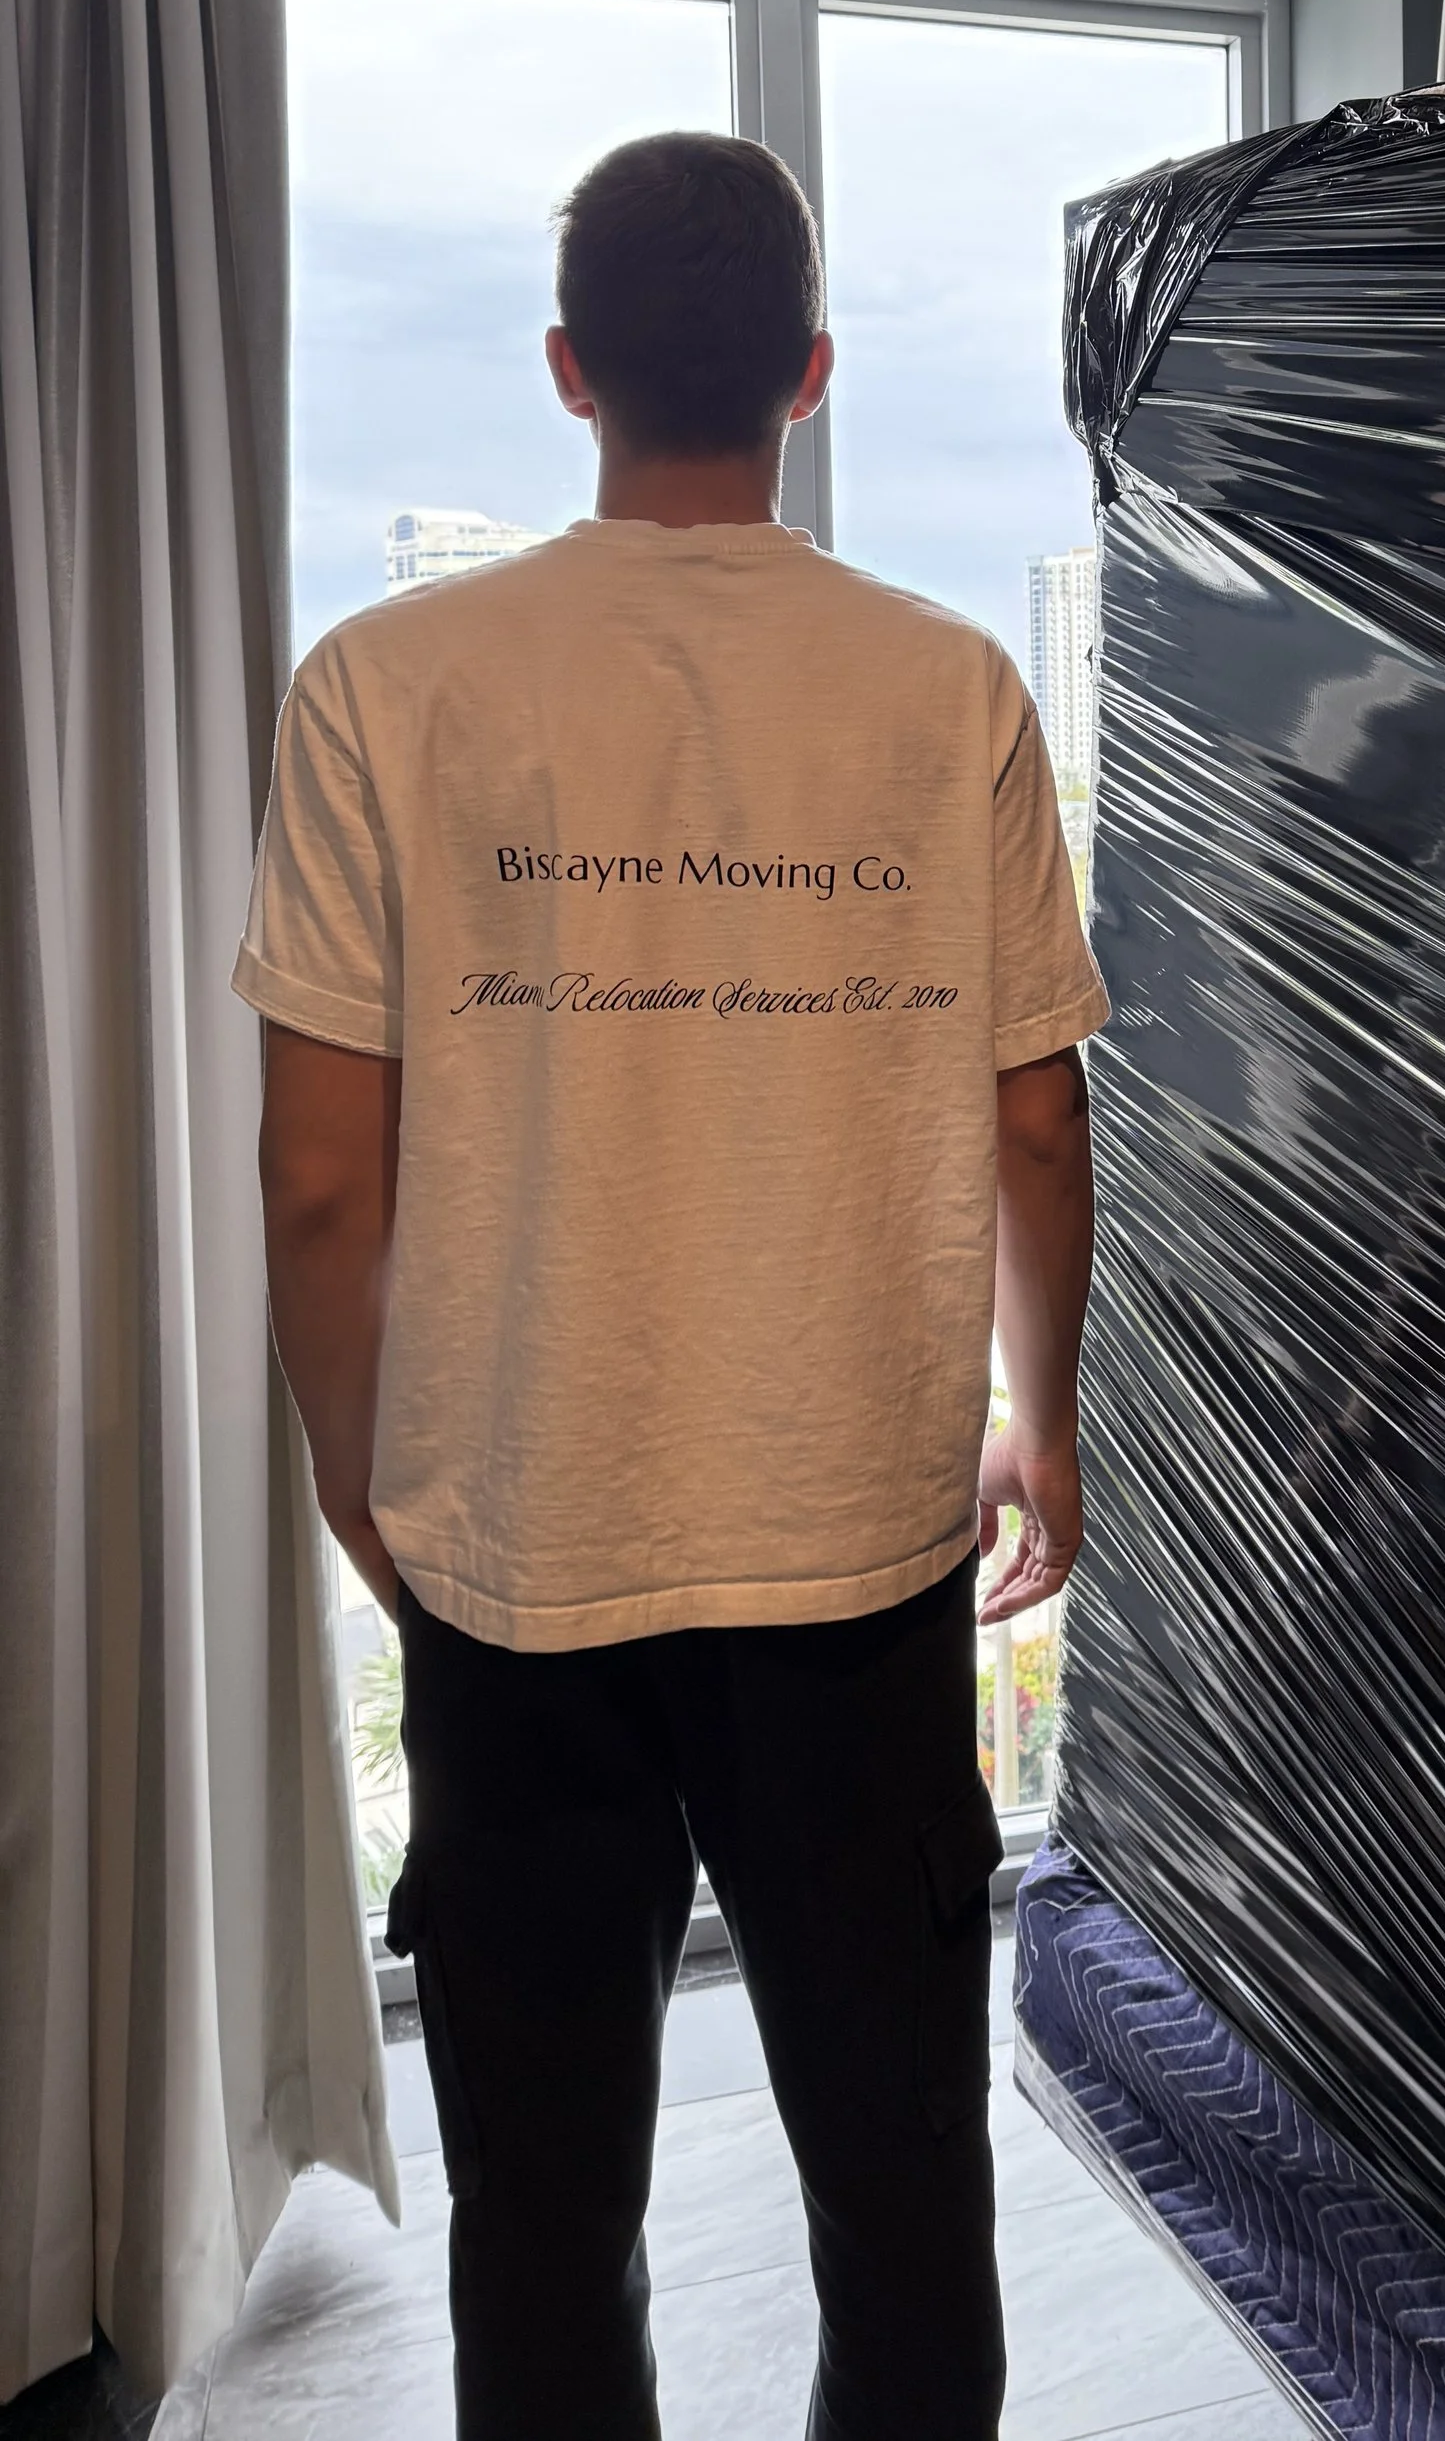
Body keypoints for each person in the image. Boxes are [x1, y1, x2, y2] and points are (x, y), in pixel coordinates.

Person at [236, 130, 1104, 2441]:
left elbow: (322, 1184)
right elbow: (1032, 1119)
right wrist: (1049, 1412)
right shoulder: (943, 693)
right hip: (852, 1547)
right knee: (903, 2174)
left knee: (539, 2194)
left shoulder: (385, 683)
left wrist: (362, 1475)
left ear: (566, 372)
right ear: (809, 380)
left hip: (520, 1544)